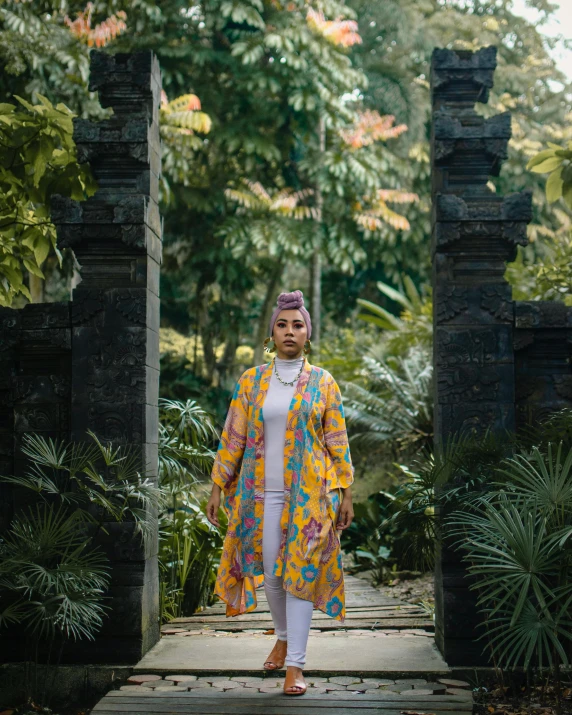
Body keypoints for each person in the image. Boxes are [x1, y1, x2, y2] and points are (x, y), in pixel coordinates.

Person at [206, 290, 354, 696]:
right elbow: (233, 434)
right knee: (271, 574)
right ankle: (284, 635)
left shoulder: (324, 382)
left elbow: (336, 439)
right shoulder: (252, 380)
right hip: (260, 496)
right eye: (283, 324)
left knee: (300, 575)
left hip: (310, 497)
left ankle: (295, 666)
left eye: (298, 324)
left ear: (309, 332)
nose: (290, 331)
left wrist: (345, 492)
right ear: (272, 332)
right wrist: (218, 485)